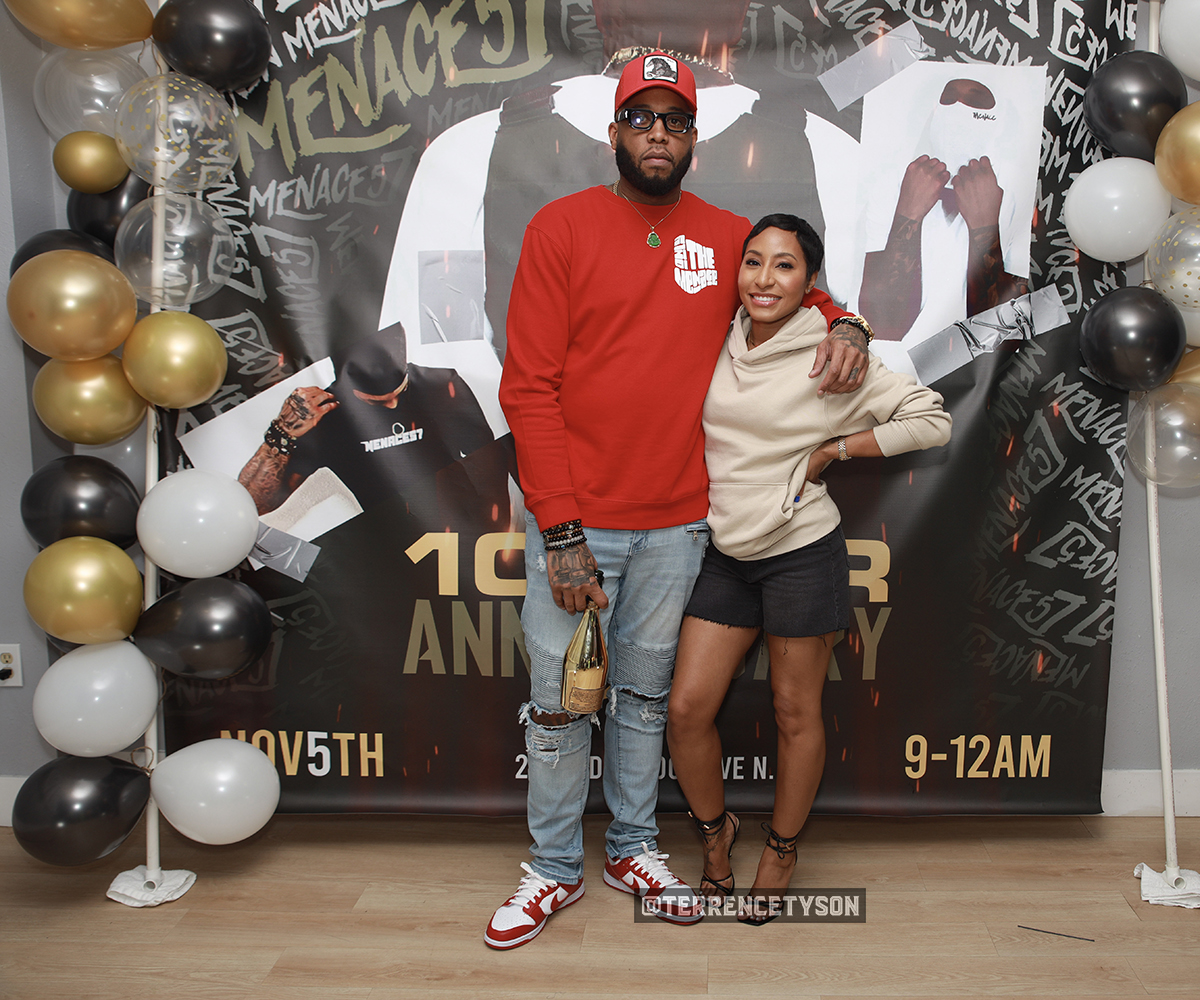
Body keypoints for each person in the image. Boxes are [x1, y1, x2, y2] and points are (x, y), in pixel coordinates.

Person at [485, 52, 872, 951]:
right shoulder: (561, 227)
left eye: (674, 121)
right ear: (613, 132)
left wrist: (846, 320)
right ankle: (552, 867)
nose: (657, 134)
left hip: (679, 524)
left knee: (645, 702)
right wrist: (561, 528)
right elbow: (528, 388)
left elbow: (799, 287)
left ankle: (631, 849)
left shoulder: (728, 235)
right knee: (559, 705)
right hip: (577, 522)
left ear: (695, 138)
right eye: (641, 118)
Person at [666, 214, 952, 923]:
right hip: (726, 552)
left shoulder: (829, 354)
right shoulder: (719, 333)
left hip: (799, 551)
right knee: (686, 711)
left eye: (785, 265)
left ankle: (782, 850)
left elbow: (931, 419)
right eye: (753, 262)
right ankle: (716, 833)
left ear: (809, 281)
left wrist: (835, 450)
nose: (764, 279)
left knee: (795, 713)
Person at [237, 321, 496, 518]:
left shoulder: (440, 386)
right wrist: (282, 433)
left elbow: (491, 466)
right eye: (377, 401)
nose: (392, 404)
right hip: (386, 547)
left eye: (398, 394)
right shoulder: (323, 412)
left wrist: (490, 534)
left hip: (455, 534)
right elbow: (252, 505)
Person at [860, 78, 1031, 343]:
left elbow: (1003, 333)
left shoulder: (1020, 191)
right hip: (896, 360)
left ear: (1000, 120)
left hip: (979, 365)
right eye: (948, 98)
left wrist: (985, 227)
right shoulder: (891, 184)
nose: (958, 109)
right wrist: (908, 213)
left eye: (976, 101)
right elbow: (881, 324)